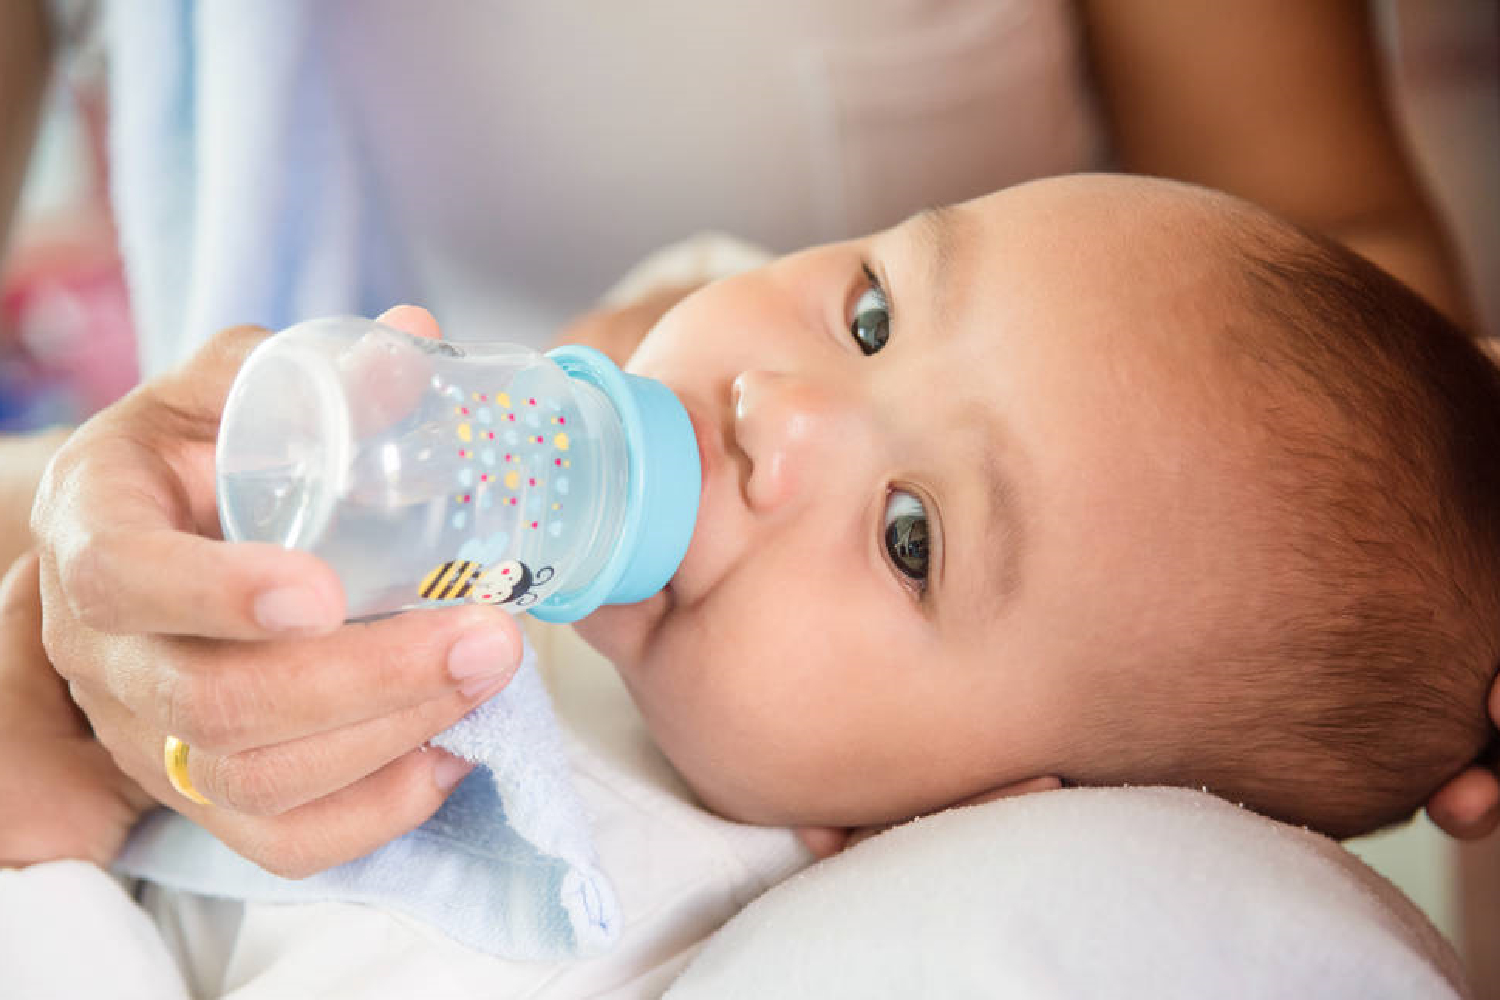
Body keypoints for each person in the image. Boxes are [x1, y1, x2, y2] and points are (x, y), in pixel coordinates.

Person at [2, 0, 1496, 888]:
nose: (780, 409)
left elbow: (1342, 309)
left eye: (913, 537)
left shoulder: (931, 930)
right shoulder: (432, 534)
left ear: (977, 819)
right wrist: (68, 720)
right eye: (866, 311)